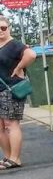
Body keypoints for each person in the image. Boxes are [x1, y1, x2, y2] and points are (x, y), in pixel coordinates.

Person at [0, 15, 34, 171]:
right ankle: (7, 157)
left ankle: (15, 158)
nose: (1, 31)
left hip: (11, 89)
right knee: (1, 125)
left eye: (3, 28)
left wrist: (19, 67)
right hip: (1, 89)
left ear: (8, 28)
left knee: (10, 124)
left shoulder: (15, 45)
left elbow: (31, 55)